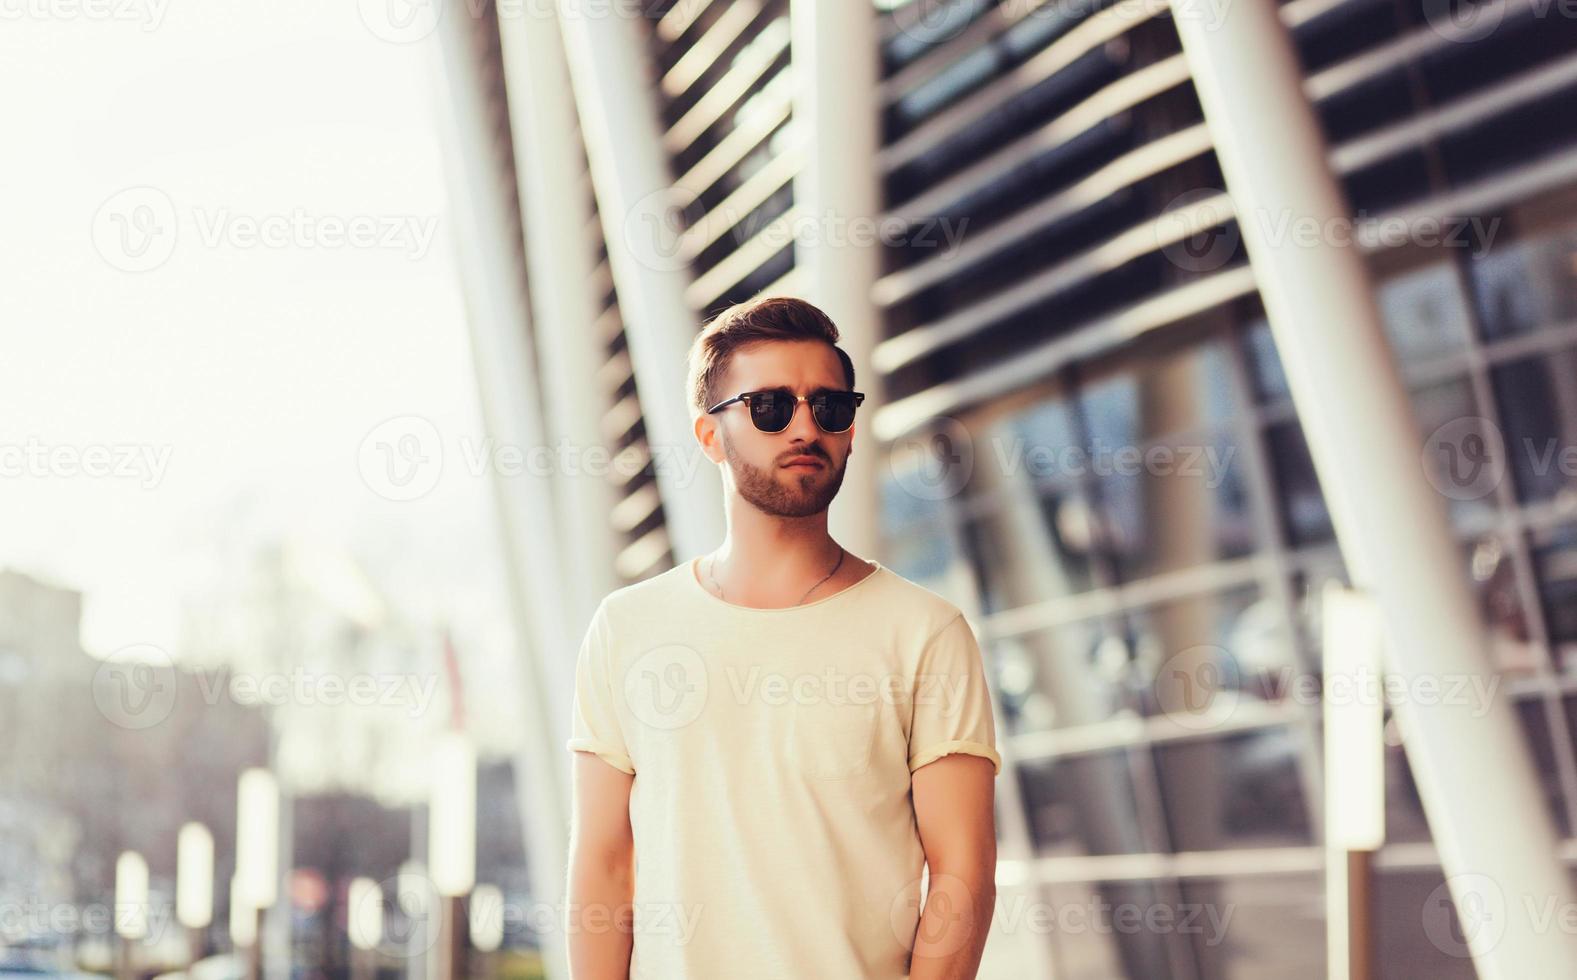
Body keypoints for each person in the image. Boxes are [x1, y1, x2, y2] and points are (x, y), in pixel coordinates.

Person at [564, 295, 1000, 979]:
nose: (805, 426)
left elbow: (962, 876)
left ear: (852, 429)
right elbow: (603, 866)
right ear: (709, 436)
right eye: (769, 407)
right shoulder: (628, 628)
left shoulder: (924, 633)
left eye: (828, 408)